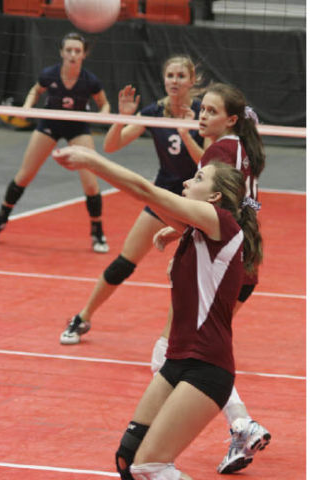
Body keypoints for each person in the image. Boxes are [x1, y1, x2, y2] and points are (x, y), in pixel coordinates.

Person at [52, 142, 263, 480]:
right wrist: (177, 231)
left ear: (214, 198)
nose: (186, 183)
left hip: (207, 367)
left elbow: (144, 189)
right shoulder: (201, 231)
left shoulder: (219, 222)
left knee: (150, 465)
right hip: (177, 362)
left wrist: (91, 161)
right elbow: (150, 202)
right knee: (128, 459)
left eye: (197, 178)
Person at [151, 82, 270, 474]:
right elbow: (232, 209)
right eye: (201, 109)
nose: (202, 115)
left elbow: (203, 208)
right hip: (240, 257)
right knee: (200, 349)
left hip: (221, 264)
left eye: (211, 111)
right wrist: (181, 233)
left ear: (231, 119)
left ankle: (239, 424)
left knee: (175, 352)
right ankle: (240, 424)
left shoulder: (220, 152)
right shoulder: (241, 148)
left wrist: (183, 235)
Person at [58, 55, 205, 344]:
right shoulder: (154, 111)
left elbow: (208, 162)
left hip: (194, 204)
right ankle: (83, 317)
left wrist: (187, 135)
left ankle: (184, 336)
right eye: (170, 75)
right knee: (125, 261)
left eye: (180, 76)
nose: (174, 81)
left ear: (191, 80)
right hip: (161, 197)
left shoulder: (203, 112)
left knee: (189, 273)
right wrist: (122, 117)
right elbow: (111, 146)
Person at [0, 32, 110, 253]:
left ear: (84, 55)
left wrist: (102, 116)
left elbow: (104, 104)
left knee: (91, 183)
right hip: (49, 125)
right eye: (69, 50)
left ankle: (97, 232)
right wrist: (27, 107)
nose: (73, 55)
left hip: (78, 127)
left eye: (77, 51)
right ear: (62, 53)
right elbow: (36, 90)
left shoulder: (90, 80)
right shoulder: (50, 74)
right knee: (25, 174)